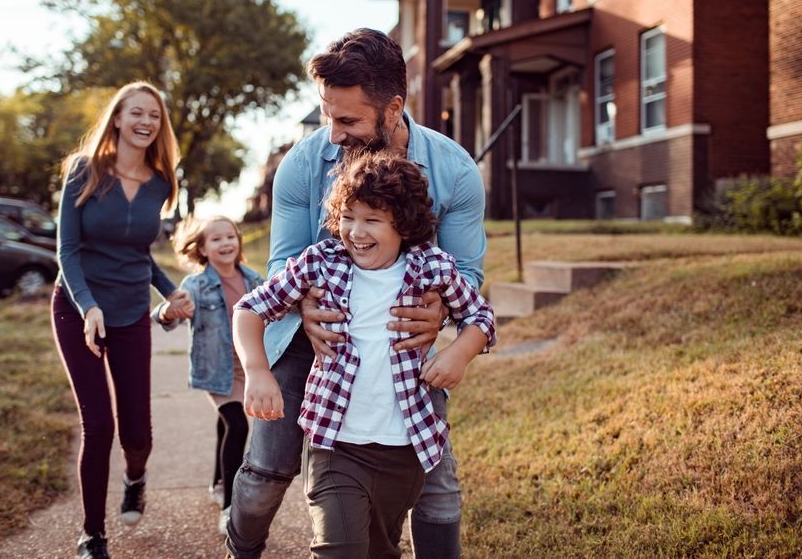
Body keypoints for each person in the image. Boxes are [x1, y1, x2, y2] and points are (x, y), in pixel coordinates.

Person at [225, 28, 487, 559]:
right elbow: (281, 265)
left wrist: (438, 317)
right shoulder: (302, 164)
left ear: (393, 109)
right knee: (269, 470)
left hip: (399, 341)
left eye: (347, 120)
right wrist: (306, 307)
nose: (333, 132)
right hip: (309, 338)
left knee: (436, 486)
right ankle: (240, 547)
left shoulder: (454, 170)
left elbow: (465, 273)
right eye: (326, 114)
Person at [51, 81, 192, 559]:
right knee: (99, 426)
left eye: (154, 115)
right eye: (136, 112)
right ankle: (92, 534)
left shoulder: (160, 182)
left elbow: (139, 255)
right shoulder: (83, 171)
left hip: (132, 312)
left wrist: (171, 290)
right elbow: (67, 251)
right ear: (116, 118)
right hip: (77, 310)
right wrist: (88, 305)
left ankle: (136, 479)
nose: (145, 122)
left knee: (138, 431)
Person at [153, 216, 264, 535]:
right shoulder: (195, 286)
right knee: (238, 423)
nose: (226, 243)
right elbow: (166, 317)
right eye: (216, 239)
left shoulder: (254, 279)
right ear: (202, 248)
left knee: (226, 422)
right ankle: (229, 505)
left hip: (247, 367)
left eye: (230, 236)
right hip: (217, 369)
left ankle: (217, 481)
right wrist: (167, 311)